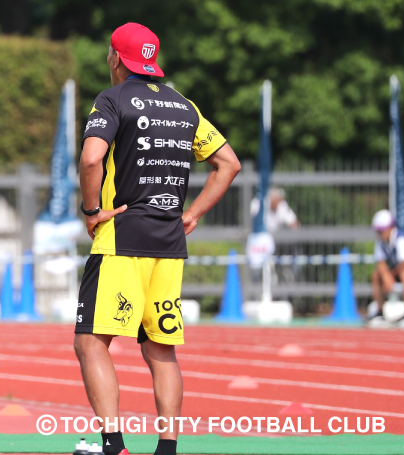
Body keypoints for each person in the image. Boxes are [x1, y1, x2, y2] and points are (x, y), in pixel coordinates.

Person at [75, 23, 241, 455]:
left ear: (115, 57)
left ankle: (113, 446)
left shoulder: (111, 100)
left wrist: (91, 212)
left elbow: (92, 159)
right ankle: (167, 449)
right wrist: (193, 213)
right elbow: (229, 163)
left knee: (91, 342)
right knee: (161, 350)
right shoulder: (185, 107)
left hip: (121, 239)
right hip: (169, 243)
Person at [368, 209, 404, 328]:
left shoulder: (400, 238)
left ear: (391, 227)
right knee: (376, 275)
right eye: (378, 230)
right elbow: (380, 262)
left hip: (403, 272)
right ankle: (379, 313)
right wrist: (386, 276)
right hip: (396, 273)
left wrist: (390, 275)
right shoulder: (381, 241)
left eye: (382, 230)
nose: (379, 233)